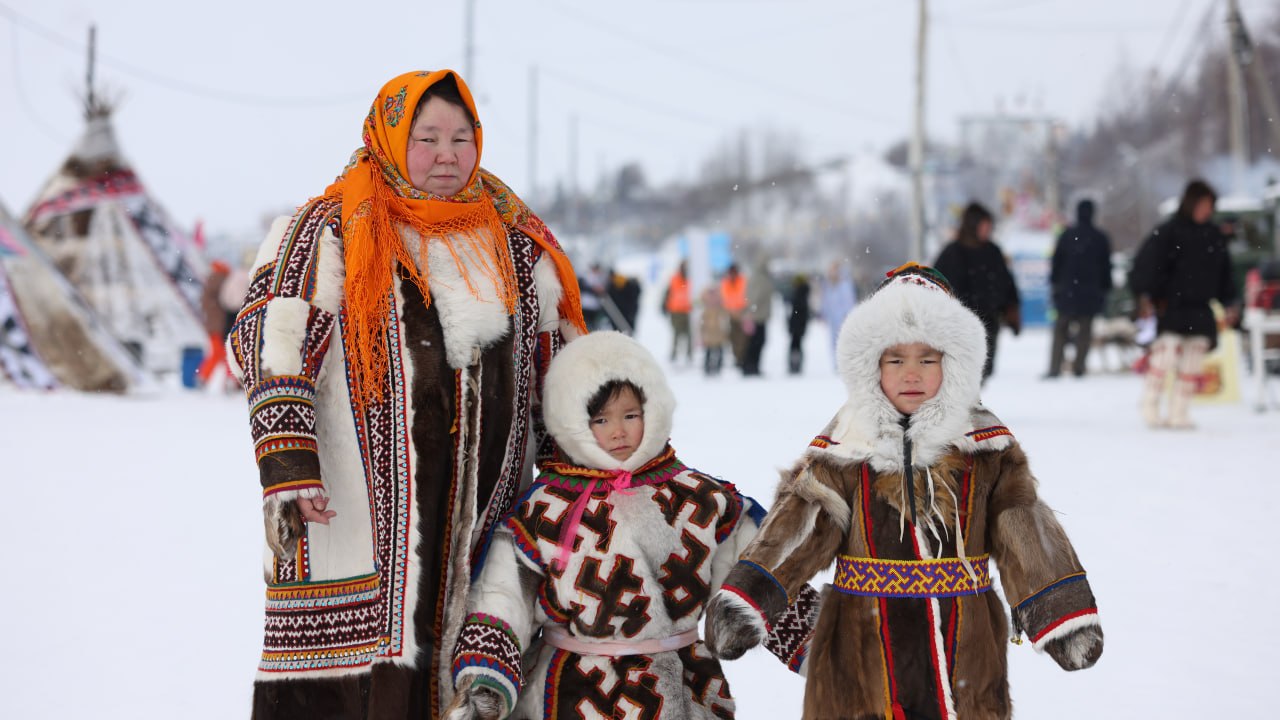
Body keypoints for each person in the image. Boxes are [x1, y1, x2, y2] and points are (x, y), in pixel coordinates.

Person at [227, 70, 586, 720]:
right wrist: (288, 465)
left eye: (460, 137)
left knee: (467, 681)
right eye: (427, 138)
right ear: (391, 138)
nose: (447, 154)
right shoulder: (329, 228)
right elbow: (270, 338)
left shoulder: (514, 246)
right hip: (351, 527)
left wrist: (580, 487)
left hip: (485, 523)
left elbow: (557, 375)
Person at [705, 264, 1103, 720]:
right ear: (870, 366)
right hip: (861, 645)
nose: (911, 373)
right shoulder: (843, 450)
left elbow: (1024, 528)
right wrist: (749, 597)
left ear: (953, 364)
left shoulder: (986, 448)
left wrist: (1061, 611)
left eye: (927, 359)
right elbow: (799, 527)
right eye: (895, 360)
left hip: (965, 647)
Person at [446, 332, 820, 719]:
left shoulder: (702, 499)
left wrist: (823, 647)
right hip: (574, 691)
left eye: (630, 415)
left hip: (684, 684)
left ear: (652, 410)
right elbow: (504, 595)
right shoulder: (544, 510)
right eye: (601, 419)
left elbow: (756, 570)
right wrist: (486, 676)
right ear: (572, 421)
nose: (618, 431)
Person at [1130, 179, 1239, 429]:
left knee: (1192, 363)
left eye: (1210, 205)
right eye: (1203, 204)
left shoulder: (1214, 236)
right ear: (1191, 203)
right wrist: (1147, 294)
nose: (1207, 210)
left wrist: (1231, 301)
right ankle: (1149, 403)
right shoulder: (1169, 232)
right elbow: (1147, 266)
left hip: (1201, 310)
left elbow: (1225, 275)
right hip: (1172, 308)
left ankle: (1179, 412)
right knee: (1165, 356)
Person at [933, 202, 1020, 381]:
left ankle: (971, 405)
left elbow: (1006, 283)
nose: (988, 230)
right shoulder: (953, 253)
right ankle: (966, 407)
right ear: (973, 226)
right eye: (984, 225)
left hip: (989, 322)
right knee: (961, 373)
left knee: (985, 370)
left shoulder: (993, 251)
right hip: (958, 324)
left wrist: (1012, 310)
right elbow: (934, 284)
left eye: (989, 226)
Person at [1046, 199, 1113, 378]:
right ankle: (1079, 367)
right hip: (1090, 294)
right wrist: (1105, 290)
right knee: (1085, 332)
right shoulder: (1100, 237)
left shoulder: (1067, 235)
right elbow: (1106, 267)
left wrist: (1055, 285)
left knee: (1060, 331)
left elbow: (1056, 263)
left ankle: (1054, 367)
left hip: (1067, 292)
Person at [819, 260, 857, 368]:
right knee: (833, 341)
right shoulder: (828, 285)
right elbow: (825, 301)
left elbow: (849, 301)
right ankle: (836, 364)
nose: (832, 273)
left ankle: (844, 364)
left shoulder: (845, 285)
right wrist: (823, 314)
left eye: (834, 270)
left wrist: (847, 315)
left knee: (843, 341)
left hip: (843, 317)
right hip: (832, 318)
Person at [740, 257, 774, 377]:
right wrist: (751, 309)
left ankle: (751, 366)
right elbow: (756, 296)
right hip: (758, 316)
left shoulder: (757, 277)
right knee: (757, 342)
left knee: (755, 342)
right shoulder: (761, 278)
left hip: (758, 315)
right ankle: (751, 366)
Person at [663, 261, 693, 362]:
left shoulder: (690, 279)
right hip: (676, 311)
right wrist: (664, 305)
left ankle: (689, 355)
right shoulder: (675, 279)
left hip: (687, 311)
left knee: (689, 334)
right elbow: (668, 293)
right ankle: (674, 354)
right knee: (677, 333)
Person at [720, 263, 748, 367]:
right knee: (733, 337)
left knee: (742, 338)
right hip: (730, 314)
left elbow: (745, 297)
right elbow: (724, 298)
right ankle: (737, 357)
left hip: (741, 313)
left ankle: (741, 358)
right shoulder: (726, 283)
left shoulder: (742, 281)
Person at [699, 285, 729, 376]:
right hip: (709, 335)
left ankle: (718, 367)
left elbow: (725, 322)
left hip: (718, 334)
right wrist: (702, 332)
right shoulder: (706, 310)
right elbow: (702, 323)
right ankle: (707, 367)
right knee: (709, 352)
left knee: (719, 351)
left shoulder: (721, 309)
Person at [786, 273, 812, 375]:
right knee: (797, 345)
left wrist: (793, 325)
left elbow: (797, 312)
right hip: (799, 326)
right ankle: (796, 365)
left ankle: (795, 365)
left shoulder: (799, 294)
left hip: (797, 326)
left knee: (795, 345)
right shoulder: (803, 293)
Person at [607, 268, 642, 336]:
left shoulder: (616, 283)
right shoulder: (625, 282)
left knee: (625, 330)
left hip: (626, 312)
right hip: (627, 312)